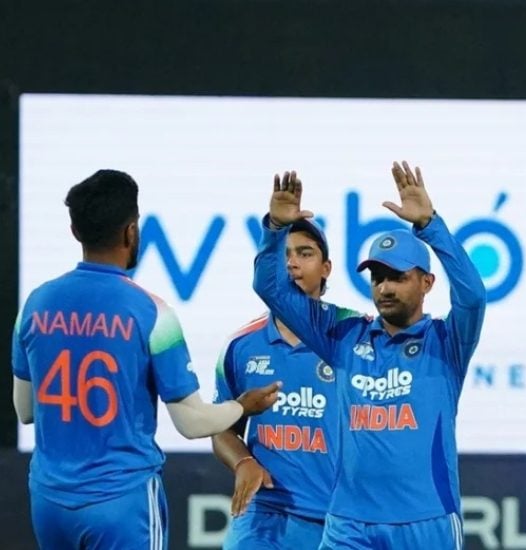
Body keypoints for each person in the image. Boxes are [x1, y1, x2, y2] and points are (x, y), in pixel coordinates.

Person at [11, 169, 280, 549]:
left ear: (74, 231)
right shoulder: (151, 312)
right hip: (122, 501)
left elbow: (25, 410)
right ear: (131, 232)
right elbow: (191, 423)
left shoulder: (36, 303)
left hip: (50, 502)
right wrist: (243, 406)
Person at [252, 163, 485, 548]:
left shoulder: (446, 341)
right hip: (349, 524)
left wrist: (430, 226)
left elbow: (473, 297)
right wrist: (275, 230)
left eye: (397, 277)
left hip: (426, 521)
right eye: (377, 278)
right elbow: (271, 288)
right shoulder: (343, 335)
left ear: (427, 282)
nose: (385, 288)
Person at [213, 218, 339, 548]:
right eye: (284, 254)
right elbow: (222, 429)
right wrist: (243, 462)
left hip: (338, 521)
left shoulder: (353, 336)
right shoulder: (241, 345)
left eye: (305, 253)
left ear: (326, 268)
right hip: (262, 515)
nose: (292, 263)